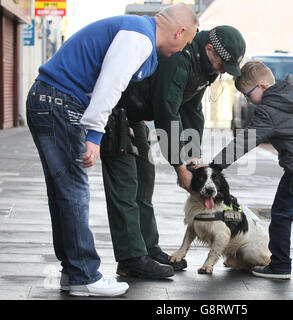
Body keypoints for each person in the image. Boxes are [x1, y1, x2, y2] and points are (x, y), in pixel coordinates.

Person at [25, 3, 199, 297]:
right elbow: (110, 83)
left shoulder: (136, 32)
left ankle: (73, 271)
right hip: (60, 102)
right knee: (74, 191)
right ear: (179, 32)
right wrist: (94, 133)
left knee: (63, 192)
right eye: (187, 42)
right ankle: (84, 275)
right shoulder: (140, 37)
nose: (184, 49)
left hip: (48, 100)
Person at [100, 26, 246, 279]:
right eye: (222, 64)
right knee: (126, 189)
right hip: (116, 114)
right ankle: (131, 259)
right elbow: (167, 113)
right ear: (209, 49)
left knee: (144, 184)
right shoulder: (180, 61)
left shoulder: (204, 68)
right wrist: (179, 167)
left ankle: (147, 248)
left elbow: (191, 110)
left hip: (135, 119)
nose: (223, 71)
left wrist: (192, 158)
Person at [208, 60, 293, 280]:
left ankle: (280, 265)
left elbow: (245, 141)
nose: (247, 100)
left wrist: (215, 166)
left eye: (248, 94)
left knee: (281, 216)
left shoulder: (268, 111)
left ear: (263, 86)